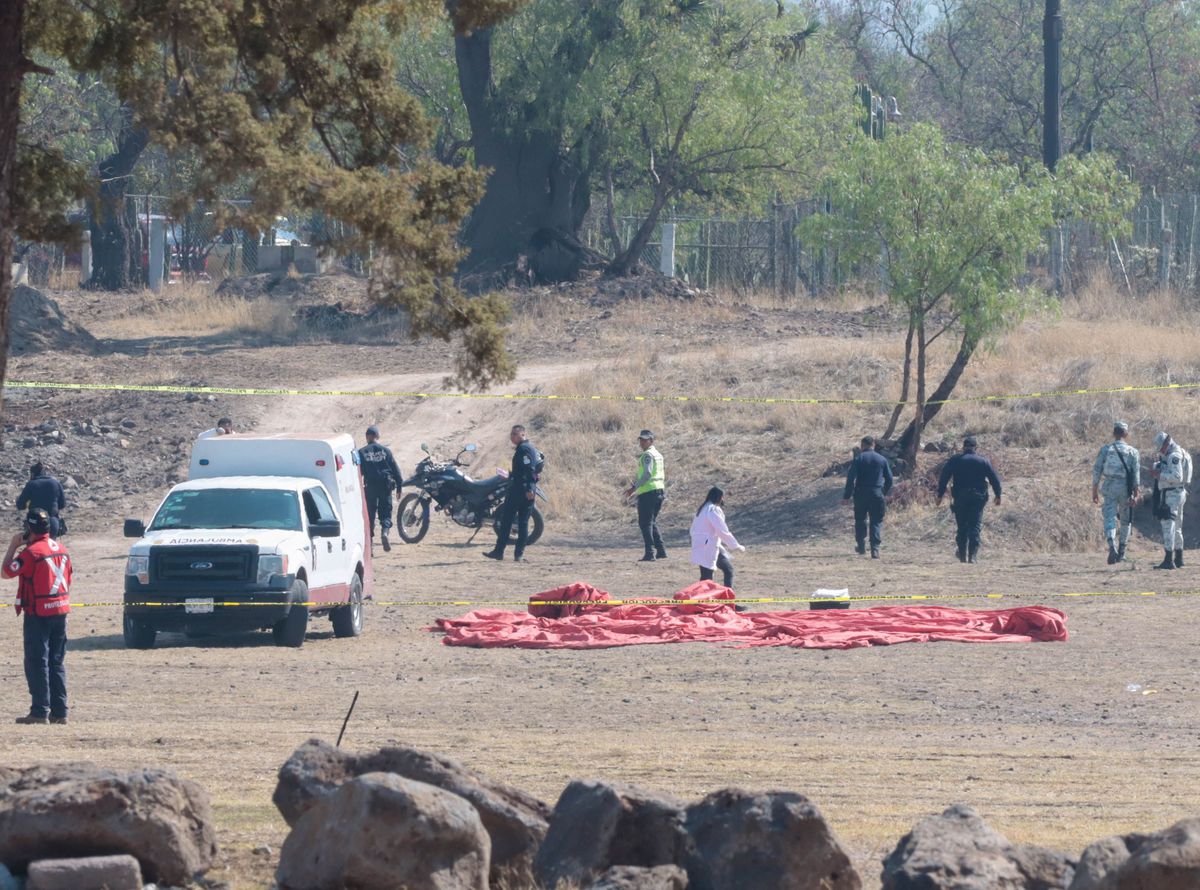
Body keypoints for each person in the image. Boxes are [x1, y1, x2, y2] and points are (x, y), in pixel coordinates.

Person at [3, 508, 72, 725]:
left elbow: (6, 572)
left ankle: (40, 711)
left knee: (37, 662)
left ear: (29, 529)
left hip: (38, 613)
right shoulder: (62, 548)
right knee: (56, 661)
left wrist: (14, 545)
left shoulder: (31, 553)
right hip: (60, 611)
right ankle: (60, 711)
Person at [936, 435, 1002, 563]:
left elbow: (944, 478)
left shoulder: (955, 460)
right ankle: (972, 556)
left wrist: (940, 495)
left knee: (962, 526)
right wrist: (998, 495)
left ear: (963, 447)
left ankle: (962, 556)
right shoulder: (983, 461)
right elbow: (994, 479)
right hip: (978, 498)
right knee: (975, 525)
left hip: (960, 497)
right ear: (976, 447)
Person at [484, 425, 541, 563]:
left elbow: (530, 470)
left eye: (515, 434)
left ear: (523, 434)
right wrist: (509, 475)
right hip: (517, 489)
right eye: (511, 434)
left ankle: (517, 555)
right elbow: (521, 471)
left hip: (521, 492)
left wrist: (529, 489)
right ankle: (500, 552)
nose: (513, 437)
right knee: (506, 522)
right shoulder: (522, 448)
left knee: (521, 523)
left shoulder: (525, 449)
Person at [1092, 421, 1140, 564]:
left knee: (1109, 517)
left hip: (1109, 486)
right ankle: (1122, 552)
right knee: (1126, 520)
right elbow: (1136, 475)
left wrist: (1094, 491)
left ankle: (1112, 545)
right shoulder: (1133, 452)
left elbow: (1096, 471)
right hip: (1125, 488)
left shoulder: (1105, 450)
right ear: (1126, 434)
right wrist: (1136, 494)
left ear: (1114, 433)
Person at [841, 436, 894, 559]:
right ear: (873, 445)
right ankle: (875, 549)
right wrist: (883, 492)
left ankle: (861, 546)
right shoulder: (882, 459)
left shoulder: (859, 458)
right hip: (877, 493)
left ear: (862, 446)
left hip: (860, 493)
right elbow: (890, 479)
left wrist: (846, 496)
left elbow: (850, 479)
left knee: (860, 520)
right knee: (876, 520)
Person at [1149, 431, 1192, 570]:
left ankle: (1169, 560)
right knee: (1177, 526)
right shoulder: (1179, 452)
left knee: (1168, 525)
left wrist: (1159, 474)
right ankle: (1179, 558)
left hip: (1172, 494)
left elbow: (1176, 476)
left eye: (1161, 447)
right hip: (1179, 493)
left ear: (1166, 443)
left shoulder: (1174, 455)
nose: (1160, 450)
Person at [358, 425, 403, 552]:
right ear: (377, 436)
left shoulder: (361, 452)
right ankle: (385, 533)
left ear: (367, 437)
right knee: (386, 513)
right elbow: (395, 470)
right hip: (385, 486)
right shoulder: (386, 451)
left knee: (369, 516)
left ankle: (370, 545)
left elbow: (359, 473)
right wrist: (399, 487)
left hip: (370, 487)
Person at [624, 430, 667, 562]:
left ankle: (650, 553)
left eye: (645, 439)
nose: (642, 442)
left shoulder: (648, 455)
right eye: (641, 439)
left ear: (651, 440)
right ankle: (661, 551)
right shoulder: (658, 454)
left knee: (645, 523)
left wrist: (634, 488)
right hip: (659, 491)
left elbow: (647, 474)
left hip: (648, 493)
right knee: (652, 522)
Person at [690, 487, 744, 588]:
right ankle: (706, 601)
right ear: (718, 497)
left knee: (727, 569)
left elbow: (693, 530)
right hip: (707, 546)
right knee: (707, 578)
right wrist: (735, 545)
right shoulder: (712, 509)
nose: (723, 500)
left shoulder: (703, 508)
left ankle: (727, 598)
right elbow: (722, 530)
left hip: (705, 545)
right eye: (722, 497)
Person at [16, 462, 66, 538]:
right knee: (50, 547)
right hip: (52, 523)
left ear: (32, 474)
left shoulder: (31, 484)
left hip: (35, 524)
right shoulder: (55, 483)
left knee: (34, 548)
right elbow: (62, 505)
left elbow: (20, 506)